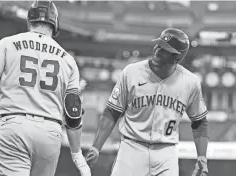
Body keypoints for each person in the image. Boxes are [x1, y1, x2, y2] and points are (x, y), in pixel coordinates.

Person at [0, 0, 91, 176]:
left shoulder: (8, 44)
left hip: (14, 126)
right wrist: (77, 154)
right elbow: (73, 113)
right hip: (49, 132)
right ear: (55, 24)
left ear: (29, 20)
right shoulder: (68, 60)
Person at [85, 28, 209, 176]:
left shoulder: (190, 82)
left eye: (164, 49)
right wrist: (96, 147)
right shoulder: (131, 72)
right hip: (132, 148)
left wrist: (202, 156)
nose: (157, 50)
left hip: (166, 152)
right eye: (158, 45)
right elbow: (112, 112)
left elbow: (200, 122)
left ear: (177, 57)